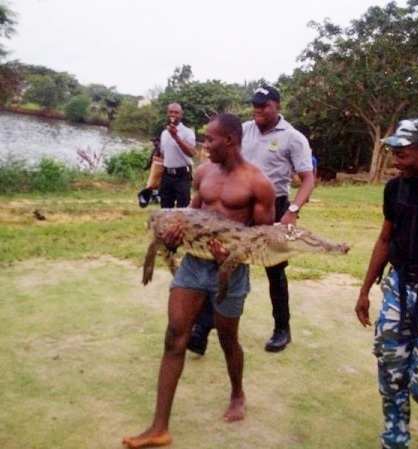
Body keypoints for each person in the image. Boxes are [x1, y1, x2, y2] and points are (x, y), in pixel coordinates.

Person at [122, 113, 276, 448]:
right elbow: (189, 216)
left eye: (210, 140)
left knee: (227, 339)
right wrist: (175, 237)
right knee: (175, 336)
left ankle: (237, 394)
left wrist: (232, 257)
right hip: (193, 267)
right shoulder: (203, 174)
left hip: (230, 272)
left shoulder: (258, 182)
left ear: (231, 141)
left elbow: (264, 239)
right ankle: (159, 427)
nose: (204, 146)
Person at [188, 84, 315, 354]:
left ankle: (282, 328)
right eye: (254, 105)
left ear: (277, 106)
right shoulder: (242, 130)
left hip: (274, 204)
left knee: (274, 269)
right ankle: (201, 330)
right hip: (237, 203)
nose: (257, 110)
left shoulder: (293, 138)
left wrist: (292, 210)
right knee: (222, 260)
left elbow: (308, 178)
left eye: (264, 105)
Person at [354, 118, 418, 449]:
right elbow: (385, 239)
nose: (395, 161)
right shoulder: (396, 188)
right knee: (391, 367)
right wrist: (365, 290)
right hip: (399, 286)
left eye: (402, 154)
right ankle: (394, 437)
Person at [159, 102, 196, 208]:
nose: (173, 115)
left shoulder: (188, 132)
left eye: (176, 112)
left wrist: (176, 137)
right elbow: (163, 155)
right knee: (165, 208)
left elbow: (191, 153)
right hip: (167, 175)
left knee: (183, 209)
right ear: (167, 113)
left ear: (181, 115)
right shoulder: (164, 133)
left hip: (182, 176)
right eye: (171, 112)